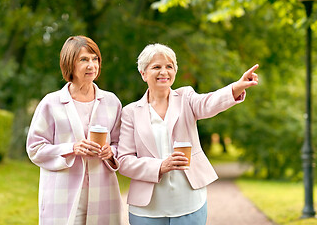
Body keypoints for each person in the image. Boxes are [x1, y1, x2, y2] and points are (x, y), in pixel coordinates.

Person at [117, 43, 258, 225]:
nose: (164, 72)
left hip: (189, 203)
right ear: (143, 74)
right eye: (156, 67)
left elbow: (209, 102)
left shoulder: (186, 98)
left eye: (169, 66)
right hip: (147, 209)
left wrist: (237, 87)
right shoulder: (130, 112)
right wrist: (160, 166)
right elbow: (124, 161)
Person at [26, 35, 123, 225]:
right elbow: (35, 148)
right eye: (84, 60)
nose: (91, 65)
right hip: (62, 196)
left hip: (103, 194)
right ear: (70, 64)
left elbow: (122, 145)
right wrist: (72, 148)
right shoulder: (51, 103)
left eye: (95, 59)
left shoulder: (112, 102)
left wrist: (111, 152)